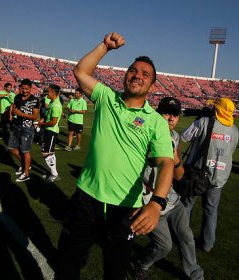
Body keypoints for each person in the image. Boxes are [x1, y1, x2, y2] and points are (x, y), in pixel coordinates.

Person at [55, 32, 174, 280]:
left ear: (152, 87)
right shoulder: (107, 98)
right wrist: (105, 46)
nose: (137, 75)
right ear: (124, 75)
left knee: (115, 272)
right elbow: (81, 72)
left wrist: (156, 202)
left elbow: (166, 162)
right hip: (87, 197)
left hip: (126, 209)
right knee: (68, 264)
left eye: (145, 74)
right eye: (133, 70)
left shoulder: (156, 121)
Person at [132, 97, 204, 280]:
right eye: (166, 113)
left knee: (187, 237)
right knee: (164, 245)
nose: (171, 118)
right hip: (150, 199)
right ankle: (139, 264)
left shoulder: (175, 137)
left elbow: (178, 175)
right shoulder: (145, 133)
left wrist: (176, 160)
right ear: (157, 113)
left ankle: (194, 274)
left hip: (171, 198)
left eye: (175, 115)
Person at [181, 97, 239, 252]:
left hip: (197, 173)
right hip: (219, 177)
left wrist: (200, 120)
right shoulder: (234, 130)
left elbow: (185, 137)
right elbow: (231, 151)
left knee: (186, 205)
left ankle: (182, 237)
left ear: (217, 110)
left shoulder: (204, 122)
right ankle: (207, 244)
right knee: (211, 210)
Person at [7, 79, 39, 182]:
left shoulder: (35, 100)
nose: (25, 91)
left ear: (31, 88)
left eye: (27, 89)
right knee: (11, 148)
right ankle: (25, 164)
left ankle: (26, 173)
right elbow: (14, 106)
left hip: (27, 128)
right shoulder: (17, 97)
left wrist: (20, 114)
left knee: (25, 151)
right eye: (23, 88)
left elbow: (35, 116)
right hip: (16, 126)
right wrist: (11, 113)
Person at [38, 84, 62, 183]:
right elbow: (47, 115)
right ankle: (53, 172)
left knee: (46, 153)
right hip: (48, 130)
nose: (46, 93)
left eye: (48, 91)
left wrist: (42, 124)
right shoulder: (52, 102)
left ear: (53, 92)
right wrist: (41, 121)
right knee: (49, 152)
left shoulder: (56, 105)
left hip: (52, 131)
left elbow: (53, 122)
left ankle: (54, 174)